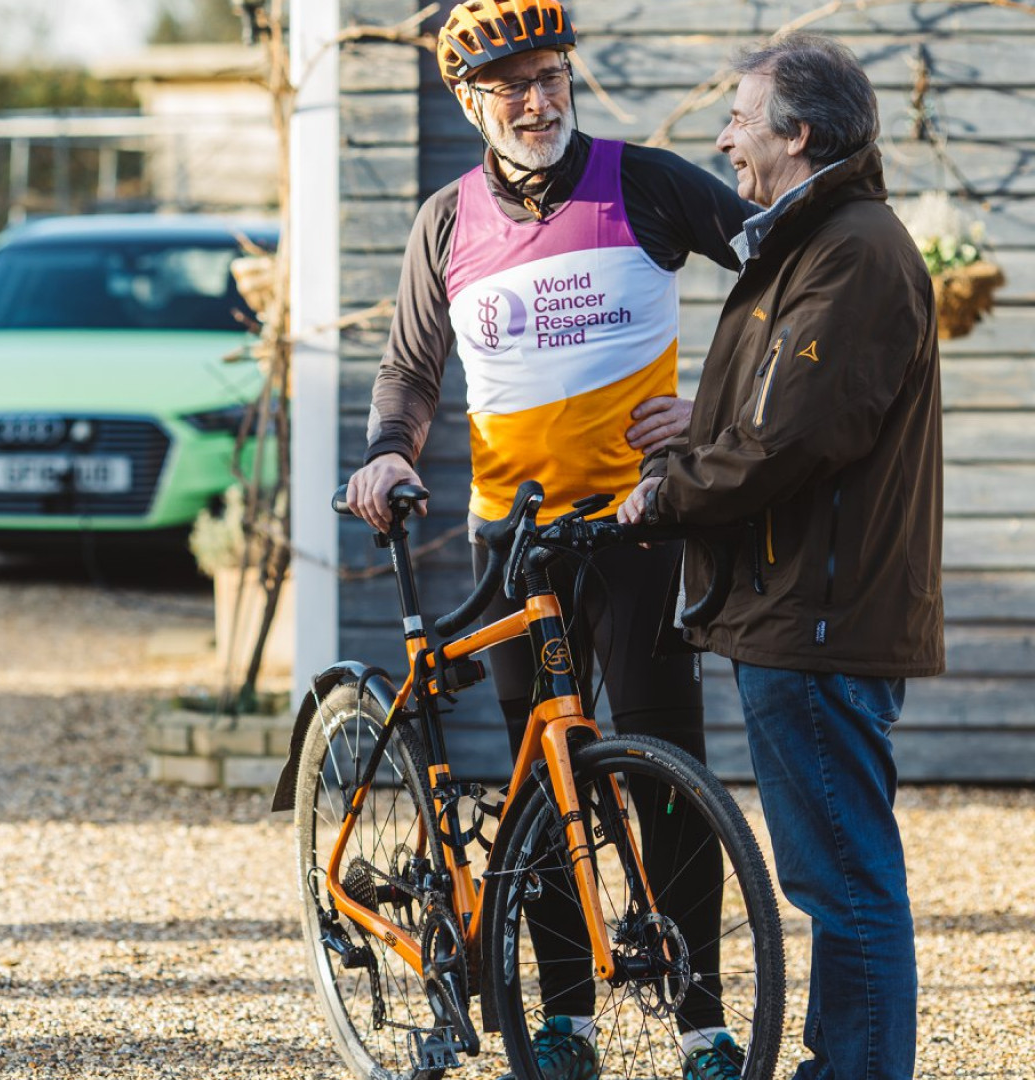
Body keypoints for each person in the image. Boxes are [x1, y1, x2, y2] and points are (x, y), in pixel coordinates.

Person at [345, 2, 757, 1077]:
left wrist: (714, 405)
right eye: (511, 84)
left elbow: (783, 280)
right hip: (512, 544)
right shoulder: (445, 223)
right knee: (543, 778)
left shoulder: (648, 179)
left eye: (551, 75)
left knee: (666, 767)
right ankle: (564, 1017)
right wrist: (390, 450)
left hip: (635, 527)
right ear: (469, 99)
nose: (538, 100)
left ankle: (703, 1019)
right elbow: (410, 368)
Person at [621, 33, 941, 1080]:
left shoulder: (849, 249)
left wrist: (668, 493)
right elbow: (774, 409)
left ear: (798, 134)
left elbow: (796, 439)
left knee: (842, 880)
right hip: (799, 607)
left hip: (814, 613)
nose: (723, 137)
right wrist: (696, 421)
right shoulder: (811, 243)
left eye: (740, 117)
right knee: (838, 873)